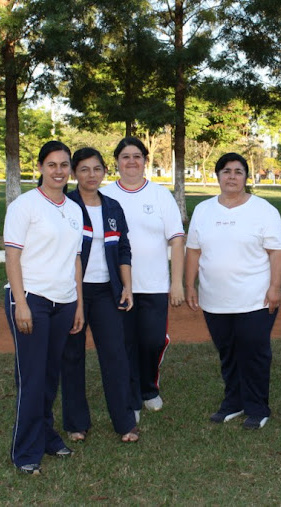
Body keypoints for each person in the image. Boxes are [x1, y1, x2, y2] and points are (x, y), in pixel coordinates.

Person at [185, 153, 281, 430]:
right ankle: (233, 402)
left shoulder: (263, 210)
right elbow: (193, 251)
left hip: (255, 298)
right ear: (217, 176)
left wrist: (275, 288)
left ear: (246, 177)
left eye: (238, 171)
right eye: (226, 171)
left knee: (254, 351)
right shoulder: (204, 210)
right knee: (227, 351)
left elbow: (277, 252)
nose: (232, 176)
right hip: (214, 299)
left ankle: (257, 407)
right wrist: (188, 285)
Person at [3, 140, 85, 475]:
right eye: (52, 164)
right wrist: (20, 303)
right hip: (31, 299)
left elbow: (76, 259)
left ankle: (48, 436)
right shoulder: (25, 206)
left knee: (51, 376)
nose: (58, 171)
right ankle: (25, 452)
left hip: (64, 301)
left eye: (64, 165)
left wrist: (78, 304)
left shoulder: (74, 209)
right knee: (32, 378)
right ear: (40, 167)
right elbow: (12, 256)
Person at [100, 137, 185, 417]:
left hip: (155, 285)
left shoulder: (160, 196)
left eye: (137, 156)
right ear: (116, 162)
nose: (131, 161)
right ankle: (132, 397)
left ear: (145, 161)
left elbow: (176, 239)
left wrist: (176, 283)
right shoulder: (105, 195)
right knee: (125, 343)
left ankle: (149, 387)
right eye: (125, 156)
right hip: (117, 287)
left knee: (152, 341)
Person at [61, 147, 139, 443]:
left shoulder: (113, 207)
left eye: (96, 169)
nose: (91, 175)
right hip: (71, 292)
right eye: (83, 169)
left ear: (105, 171)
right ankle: (76, 422)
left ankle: (125, 423)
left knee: (115, 356)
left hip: (108, 292)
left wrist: (126, 286)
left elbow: (123, 249)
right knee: (72, 356)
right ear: (73, 174)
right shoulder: (66, 205)